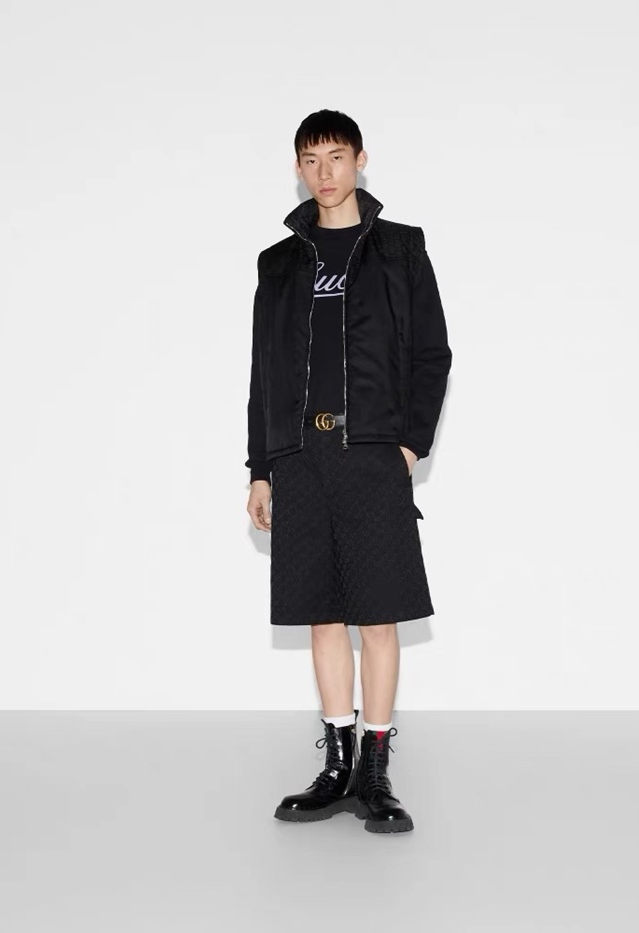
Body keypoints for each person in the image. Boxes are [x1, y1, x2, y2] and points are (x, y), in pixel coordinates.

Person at [245, 109, 452, 834]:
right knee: (323, 614)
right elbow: (264, 373)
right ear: (297, 168)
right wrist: (261, 468)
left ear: (361, 159)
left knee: (378, 613)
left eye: (336, 156)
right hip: (301, 457)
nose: (324, 173)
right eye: (311, 160)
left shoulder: (399, 249)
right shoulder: (279, 262)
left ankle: (375, 770)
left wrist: (408, 446)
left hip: (372, 453)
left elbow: (432, 354)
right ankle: (336, 765)